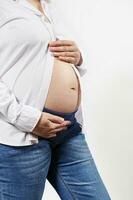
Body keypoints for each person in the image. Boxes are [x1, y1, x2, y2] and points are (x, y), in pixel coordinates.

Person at [0, 0, 111, 199]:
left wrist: (79, 56)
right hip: (21, 137)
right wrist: (27, 119)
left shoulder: (49, 5)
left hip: (68, 131)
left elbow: (53, 52)